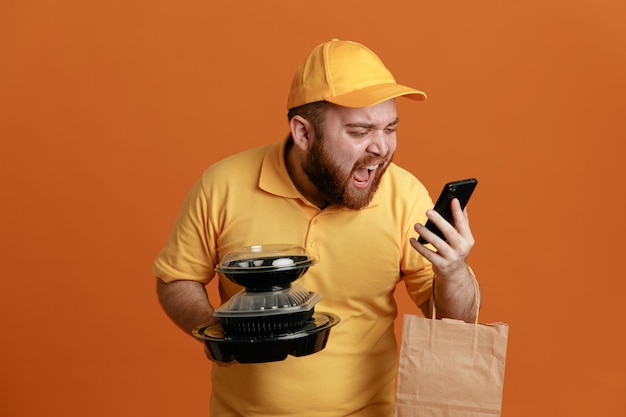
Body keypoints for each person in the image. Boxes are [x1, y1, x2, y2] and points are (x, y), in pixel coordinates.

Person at [153, 39, 480, 417]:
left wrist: (454, 272)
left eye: (389, 128)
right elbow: (176, 278)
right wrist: (213, 329)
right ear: (303, 133)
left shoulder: (404, 195)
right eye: (359, 132)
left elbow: (455, 324)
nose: (381, 149)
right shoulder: (222, 185)